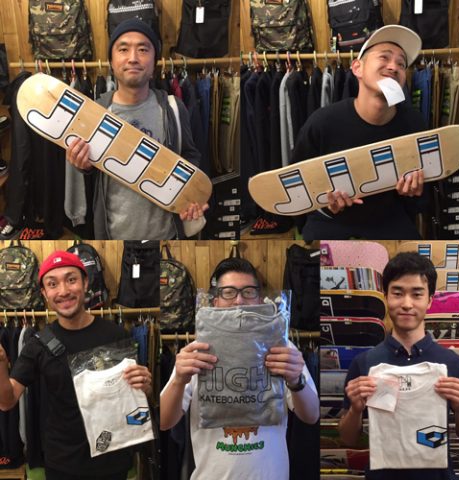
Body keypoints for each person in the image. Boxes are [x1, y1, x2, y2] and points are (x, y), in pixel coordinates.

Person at [159, 257, 319, 479]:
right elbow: (165, 422)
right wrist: (179, 379)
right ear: (215, 301)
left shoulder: (281, 347)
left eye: (248, 292)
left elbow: (311, 416)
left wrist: (296, 381)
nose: (239, 300)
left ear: (260, 300)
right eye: (228, 292)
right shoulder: (197, 352)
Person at [0, 251, 153, 480]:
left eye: (71, 279)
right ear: (44, 293)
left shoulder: (117, 334)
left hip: (113, 460)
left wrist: (145, 387)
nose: (63, 291)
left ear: (85, 283)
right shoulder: (37, 344)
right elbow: (7, 401)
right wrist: (1, 364)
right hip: (63, 464)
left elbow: (135, 397)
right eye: (52, 284)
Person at [338, 252, 459, 479]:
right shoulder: (365, 363)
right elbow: (348, 439)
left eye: (417, 294)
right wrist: (355, 409)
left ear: (429, 300)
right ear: (386, 296)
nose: (406, 304)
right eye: (397, 293)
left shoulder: (451, 363)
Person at [66, 18, 208, 240]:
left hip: (168, 234)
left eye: (143, 49)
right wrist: (83, 166)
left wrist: (190, 196)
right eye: (123, 49)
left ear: (154, 61)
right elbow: (91, 179)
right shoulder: (95, 112)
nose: (133, 58)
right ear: (111, 61)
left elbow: (190, 156)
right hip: (114, 236)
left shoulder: (173, 108)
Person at [292, 25, 429, 240]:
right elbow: (298, 185)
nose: (393, 67)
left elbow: (423, 199)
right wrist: (324, 203)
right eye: (384, 57)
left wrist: (413, 192)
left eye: (401, 64)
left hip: (391, 221)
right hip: (331, 221)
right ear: (357, 68)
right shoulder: (322, 123)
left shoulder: (413, 123)